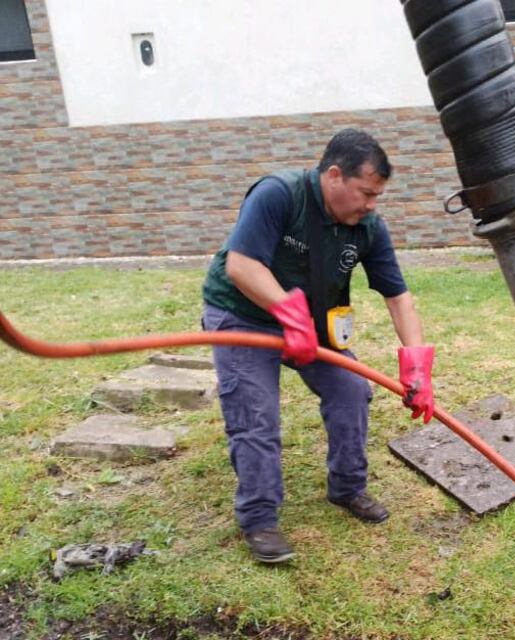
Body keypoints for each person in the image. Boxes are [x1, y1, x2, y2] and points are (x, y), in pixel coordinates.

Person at [201, 129, 435, 564]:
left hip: (312, 326)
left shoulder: (367, 227)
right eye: (365, 192)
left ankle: (347, 488)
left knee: (350, 390)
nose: (370, 204)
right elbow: (241, 265)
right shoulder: (278, 195)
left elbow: (397, 296)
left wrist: (416, 365)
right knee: (256, 415)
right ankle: (259, 518)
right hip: (243, 319)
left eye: (377, 196)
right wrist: (290, 315)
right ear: (333, 175)